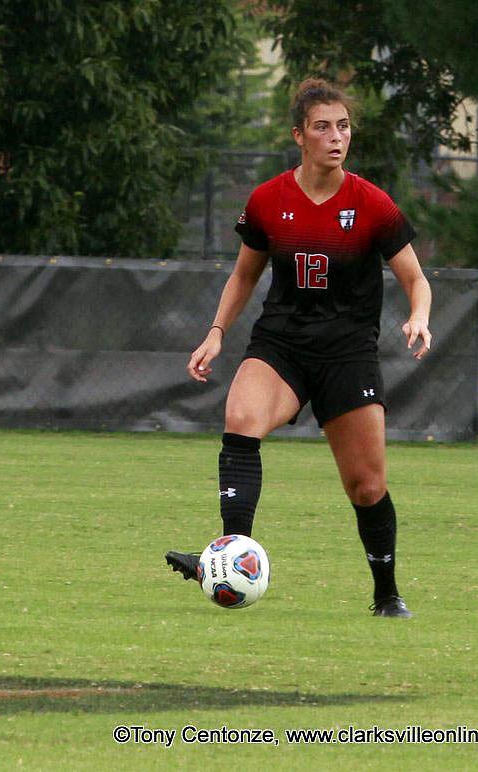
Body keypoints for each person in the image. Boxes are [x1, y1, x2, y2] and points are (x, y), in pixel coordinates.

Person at [163, 78, 432, 618]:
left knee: (366, 485)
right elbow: (243, 277)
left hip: (347, 354)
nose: (337, 137)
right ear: (300, 136)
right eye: (323, 127)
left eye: (344, 126)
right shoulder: (268, 199)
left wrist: (419, 316)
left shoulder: (370, 203)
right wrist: (216, 332)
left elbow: (416, 279)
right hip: (281, 345)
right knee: (241, 419)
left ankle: (387, 594)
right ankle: (227, 556)